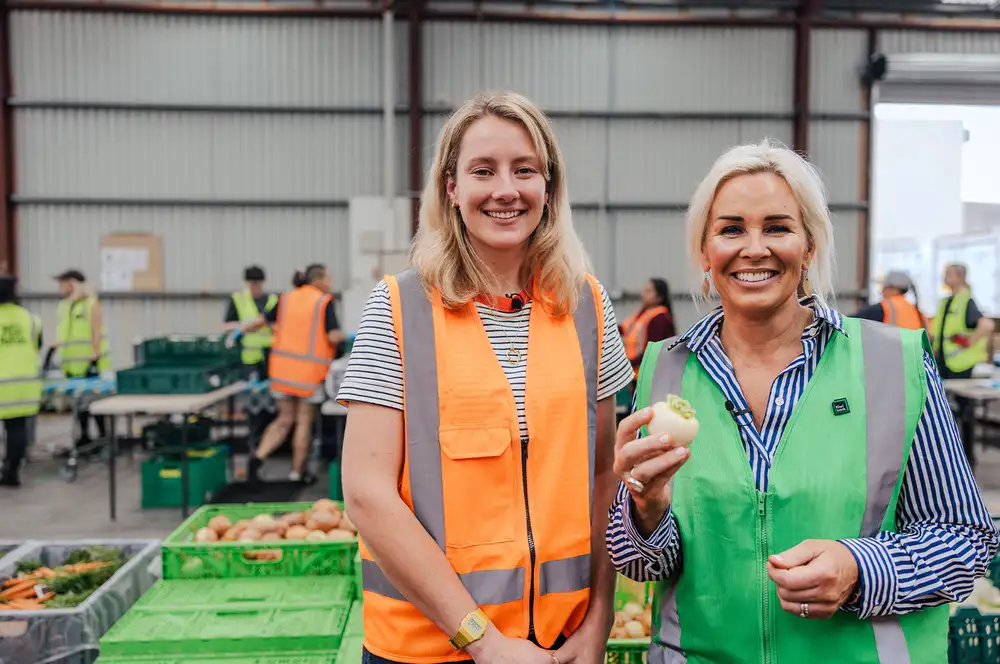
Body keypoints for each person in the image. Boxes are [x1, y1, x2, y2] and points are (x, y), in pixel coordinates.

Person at [607, 140, 998, 663]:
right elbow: (640, 564)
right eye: (730, 229)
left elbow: (966, 542)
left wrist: (859, 568)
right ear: (705, 252)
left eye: (777, 227)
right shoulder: (663, 368)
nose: (753, 248)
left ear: (808, 246)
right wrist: (646, 509)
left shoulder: (890, 363)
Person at [337, 91, 634, 664]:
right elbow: (367, 495)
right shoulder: (398, 308)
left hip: (560, 646)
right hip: (429, 648)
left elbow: (602, 475)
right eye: (483, 170)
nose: (506, 189)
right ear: (451, 188)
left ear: (548, 188)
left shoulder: (587, 305)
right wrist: (482, 640)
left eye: (525, 170)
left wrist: (600, 619)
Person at [233, 264, 345, 486]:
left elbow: (258, 323)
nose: (330, 282)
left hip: (282, 373)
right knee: (304, 422)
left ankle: (257, 458)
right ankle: (296, 473)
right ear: (318, 279)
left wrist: (241, 330)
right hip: (308, 375)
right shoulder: (324, 302)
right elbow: (333, 337)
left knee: (284, 420)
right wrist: (348, 336)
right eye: (328, 277)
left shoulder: (285, 299)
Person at [53, 269, 110, 451]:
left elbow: (96, 330)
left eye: (62, 283)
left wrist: (94, 353)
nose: (60, 288)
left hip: (89, 363)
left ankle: (103, 436)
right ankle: (84, 436)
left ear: (72, 283)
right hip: (71, 364)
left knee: (94, 402)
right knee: (79, 404)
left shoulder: (90, 304)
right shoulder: (64, 305)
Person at [0, 276, 43, 487]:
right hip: (23, 386)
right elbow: (37, 346)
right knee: (17, 430)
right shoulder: (31, 319)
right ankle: (12, 473)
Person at [225, 265, 278, 380]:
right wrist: (245, 326)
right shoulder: (238, 299)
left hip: (271, 354)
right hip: (250, 357)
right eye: (252, 283)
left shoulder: (273, 300)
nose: (255, 287)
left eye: (258, 283)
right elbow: (226, 326)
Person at [619, 278, 676, 381]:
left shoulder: (660, 319)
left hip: (649, 377)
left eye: (648, 291)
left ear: (660, 297)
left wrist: (625, 365)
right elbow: (622, 329)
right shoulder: (641, 315)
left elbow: (652, 351)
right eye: (644, 290)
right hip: (636, 374)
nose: (643, 294)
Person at [854, 270, 927, 331]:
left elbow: (851, 321)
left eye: (885, 287)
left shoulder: (884, 308)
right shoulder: (914, 309)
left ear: (893, 289)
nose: (882, 291)